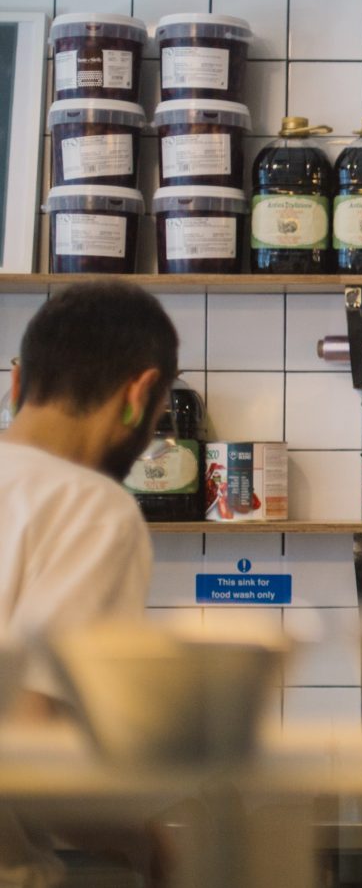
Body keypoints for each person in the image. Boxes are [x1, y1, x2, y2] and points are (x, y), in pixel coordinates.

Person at [0, 281, 179, 886]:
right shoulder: (90, 506)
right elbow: (33, 747)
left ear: (17, 384)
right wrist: (151, 849)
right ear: (141, 393)